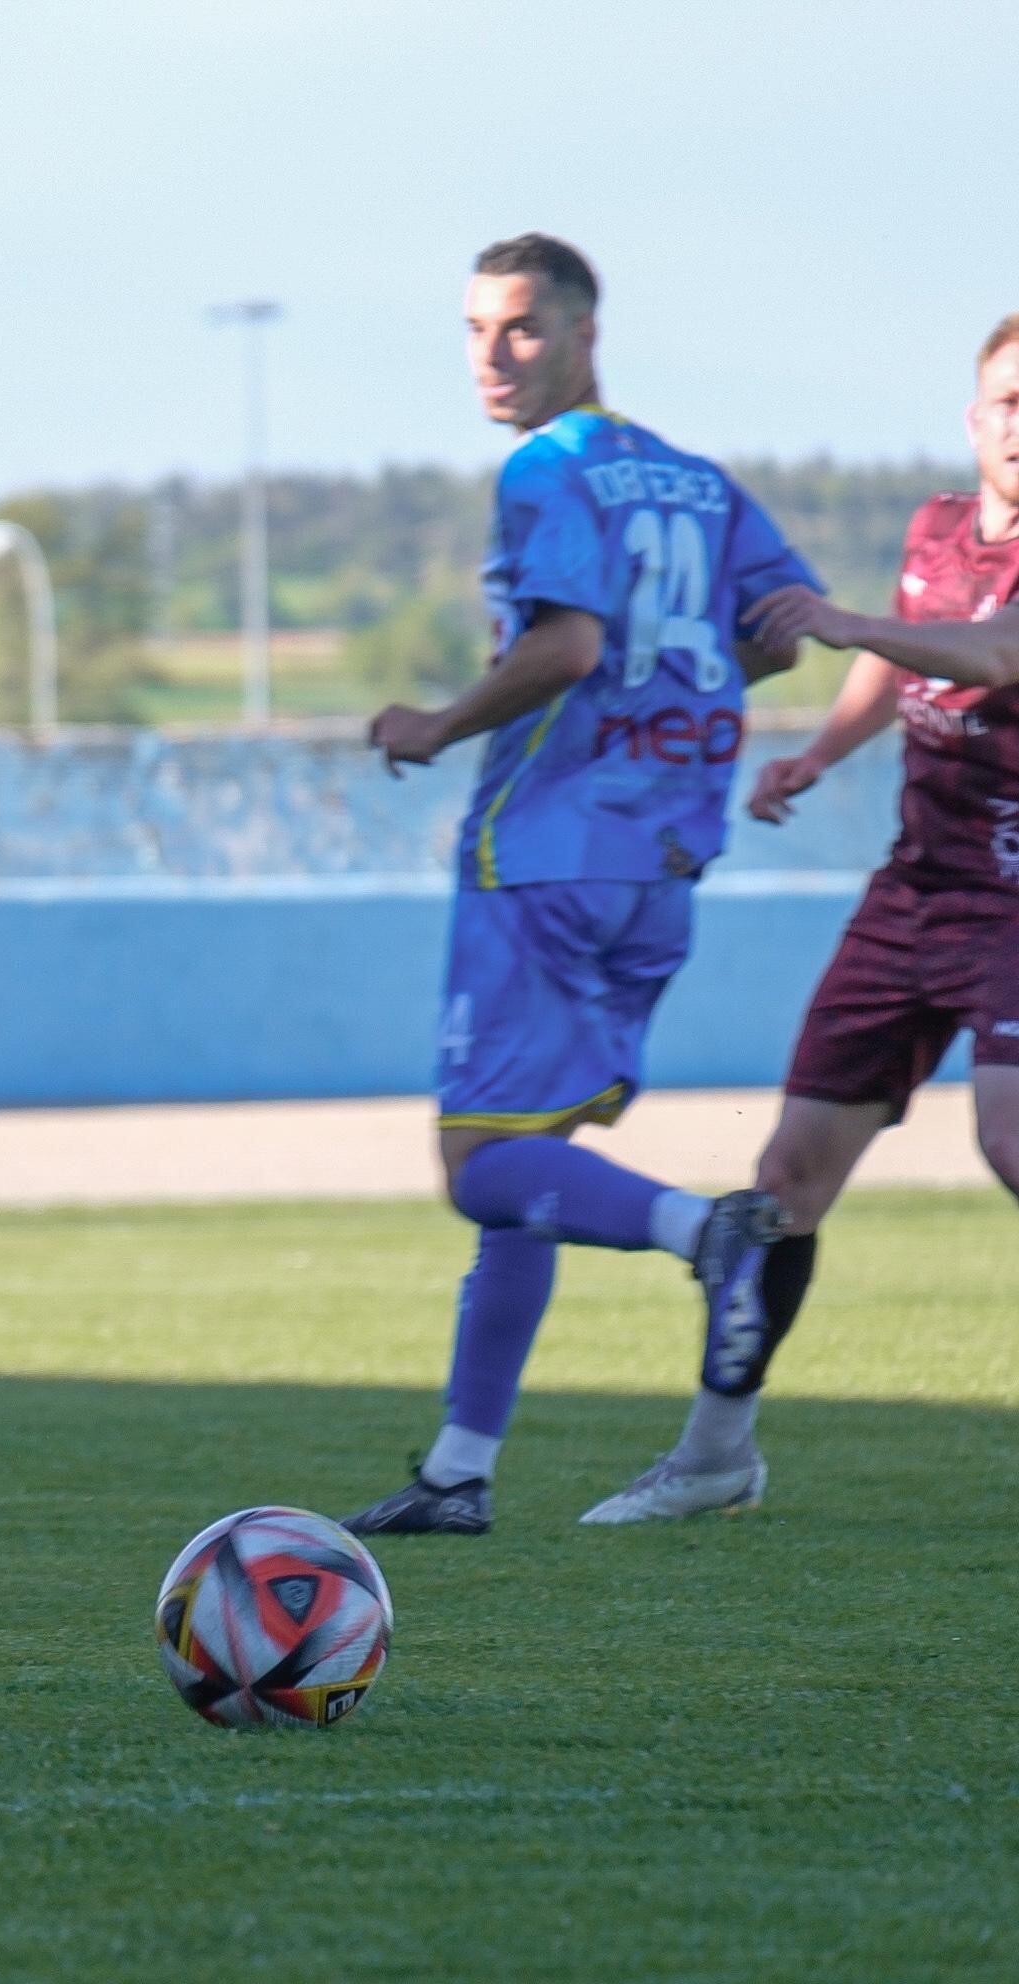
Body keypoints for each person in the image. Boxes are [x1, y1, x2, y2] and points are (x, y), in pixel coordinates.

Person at [346, 233, 816, 1536]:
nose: (494, 357)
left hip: (544, 851)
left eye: (521, 330)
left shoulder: (550, 468)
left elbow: (565, 641)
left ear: (583, 334)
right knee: (533, 1152)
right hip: (663, 858)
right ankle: (458, 1468)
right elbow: (780, 629)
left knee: (482, 1161)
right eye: (476, 330)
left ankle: (702, 1233)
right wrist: (673, 700)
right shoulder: (701, 484)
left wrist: (440, 723)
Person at [589, 316, 1019, 1519]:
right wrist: (823, 750)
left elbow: (991, 653)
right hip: (914, 891)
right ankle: (715, 1456)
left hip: (1017, 900)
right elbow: (902, 664)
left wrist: (846, 622)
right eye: (1008, 400)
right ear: (975, 413)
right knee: (786, 1174)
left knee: (1010, 1141)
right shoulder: (937, 527)